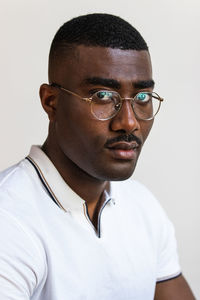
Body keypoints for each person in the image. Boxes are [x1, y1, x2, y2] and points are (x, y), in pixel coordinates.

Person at [0, 13, 195, 300]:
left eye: (142, 98)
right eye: (103, 96)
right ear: (51, 102)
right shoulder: (10, 220)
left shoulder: (142, 206)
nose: (129, 122)